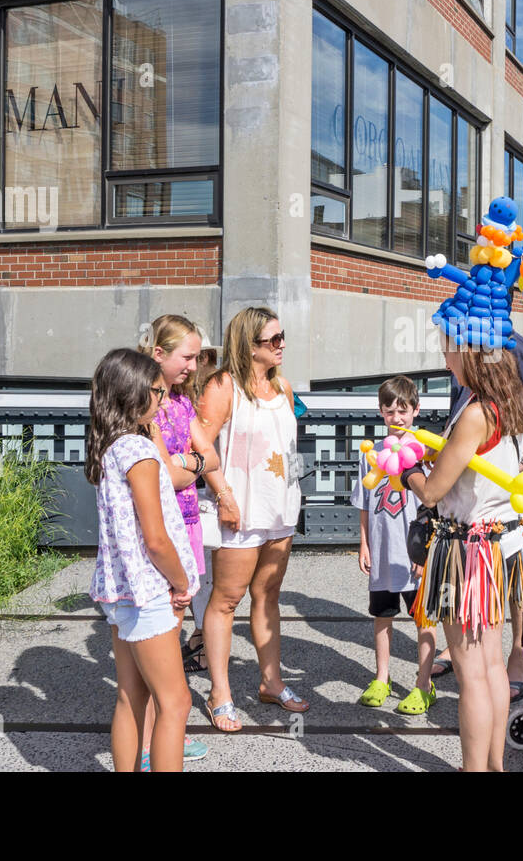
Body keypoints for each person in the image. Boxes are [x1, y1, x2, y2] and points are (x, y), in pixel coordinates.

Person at [404, 342, 523, 771]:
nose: (445, 360)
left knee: (470, 671)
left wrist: (408, 472)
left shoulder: (476, 413)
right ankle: (493, 766)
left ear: (472, 356)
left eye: (450, 352)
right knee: (492, 665)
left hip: (465, 552)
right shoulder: (509, 403)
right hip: (498, 546)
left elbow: (434, 491)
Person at [86, 348, 199, 772]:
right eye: (158, 390)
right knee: (176, 702)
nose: (164, 398)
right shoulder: (139, 451)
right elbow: (156, 538)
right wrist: (182, 581)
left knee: (131, 696)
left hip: (121, 590)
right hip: (149, 589)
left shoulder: (111, 447)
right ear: (135, 395)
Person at [439, 331, 523, 698]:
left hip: (499, 501)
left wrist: (519, 466)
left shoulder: (510, 343)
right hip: (469, 500)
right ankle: (472, 649)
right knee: (483, 581)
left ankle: (520, 653)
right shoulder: (467, 345)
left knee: (514, 570)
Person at [197, 307, 307, 732]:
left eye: (282, 336)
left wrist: (296, 494)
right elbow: (201, 444)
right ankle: (219, 692)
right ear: (248, 345)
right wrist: (223, 496)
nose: (281, 345)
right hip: (240, 510)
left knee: (268, 594)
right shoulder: (224, 386)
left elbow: (291, 445)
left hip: (279, 509)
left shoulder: (282, 384)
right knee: (226, 600)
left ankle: (270, 682)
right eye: (271, 340)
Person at [139, 314, 221, 766]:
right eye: (187, 357)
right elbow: (171, 474)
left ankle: (167, 732)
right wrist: (192, 462)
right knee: (161, 637)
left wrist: (188, 461)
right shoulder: (144, 406)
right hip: (165, 529)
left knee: (171, 634)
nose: (194, 365)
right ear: (158, 355)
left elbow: (206, 456)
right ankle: (154, 743)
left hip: (188, 524)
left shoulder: (183, 404)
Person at [352, 376, 437, 714]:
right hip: (383, 549)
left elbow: (433, 503)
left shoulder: (425, 452)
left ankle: (424, 683)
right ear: (381, 412)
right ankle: (382, 677)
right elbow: (364, 501)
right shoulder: (371, 452)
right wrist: (364, 542)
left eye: (403, 411)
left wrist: (425, 550)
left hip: (413, 550)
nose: (396, 418)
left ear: (415, 410)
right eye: (389, 411)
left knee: (423, 619)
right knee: (381, 615)